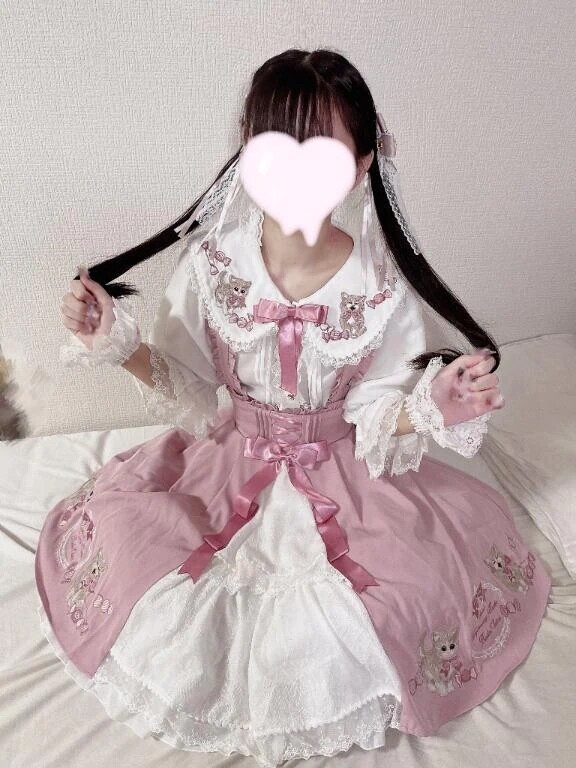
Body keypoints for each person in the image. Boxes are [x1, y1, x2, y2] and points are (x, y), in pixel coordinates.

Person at [35, 48, 551, 767]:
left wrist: (433, 407)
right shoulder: (214, 265)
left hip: (345, 475)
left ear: (363, 164)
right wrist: (114, 344)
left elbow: (378, 414)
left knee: (398, 607)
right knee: (148, 581)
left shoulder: (380, 289)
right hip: (225, 465)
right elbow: (191, 388)